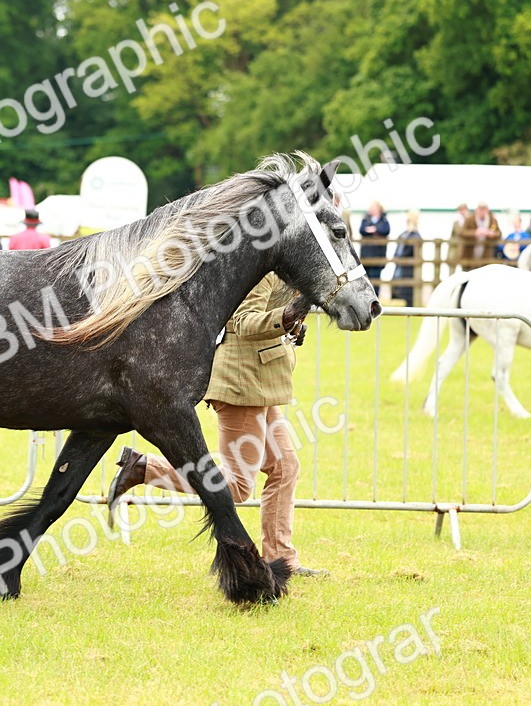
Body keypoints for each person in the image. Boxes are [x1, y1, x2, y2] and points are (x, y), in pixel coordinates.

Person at [107, 274, 326, 577]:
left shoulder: (286, 273)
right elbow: (242, 322)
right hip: (241, 385)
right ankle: (144, 468)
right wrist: (286, 316)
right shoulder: (263, 274)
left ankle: (282, 558)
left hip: (263, 382)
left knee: (284, 467)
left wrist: (291, 325)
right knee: (237, 487)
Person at [391, 211, 423, 305]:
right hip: (400, 265)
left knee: (407, 289)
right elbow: (398, 247)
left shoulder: (415, 235)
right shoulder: (403, 234)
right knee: (397, 285)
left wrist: (401, 256)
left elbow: (410, 250)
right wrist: (397, 256)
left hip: (408, 266)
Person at [458, 202, 500, 267]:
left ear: (487, 210)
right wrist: (475, 233)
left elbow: (499, 233)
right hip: (470, 252)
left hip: (486, 253)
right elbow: (462, 233)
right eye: (480, 209)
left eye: (484, 209)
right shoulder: (469, 219)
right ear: (477, 210)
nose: (482, 212)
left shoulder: (493, 220)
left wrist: (492, 234)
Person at [358, 201, 391, 267]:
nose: (374, 210)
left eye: (375, 208)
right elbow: (362, 230)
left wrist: (374, 229)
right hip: (366, 254)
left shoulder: (384, 220)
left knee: (376, 274)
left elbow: (386, 230)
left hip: (379, 253)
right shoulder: (365, 219)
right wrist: (376, 231)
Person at [447, 203, 470, 272]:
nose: (461, 212)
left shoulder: (470, 220)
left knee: (466, 268)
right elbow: (453, 236)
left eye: (463, 209)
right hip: (456, 248)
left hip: (466, 249)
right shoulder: (456, 222)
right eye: (460, 210)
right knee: (452, 266)